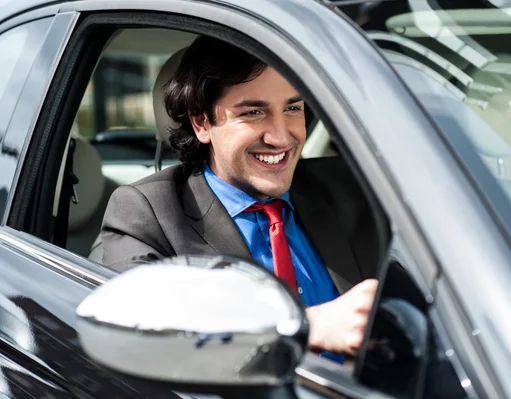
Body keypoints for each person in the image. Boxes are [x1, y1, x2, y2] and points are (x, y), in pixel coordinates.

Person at [101, 36, 388, 358]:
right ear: (202, 122)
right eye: (253, 113)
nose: (281, 137)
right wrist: (304, 327)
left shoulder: (351, 186)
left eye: (292, 108)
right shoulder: (147, 211)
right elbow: (132, 333)